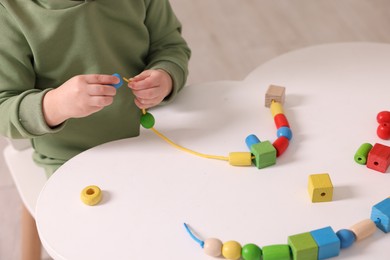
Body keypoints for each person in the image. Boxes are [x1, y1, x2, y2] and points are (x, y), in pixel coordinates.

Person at [0, 0, 191, 176]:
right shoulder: (9, 12)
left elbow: (169, 45)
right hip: (70, 158)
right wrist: (56, 105)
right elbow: (4, 108)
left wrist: (166, 76)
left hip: (157, 131)